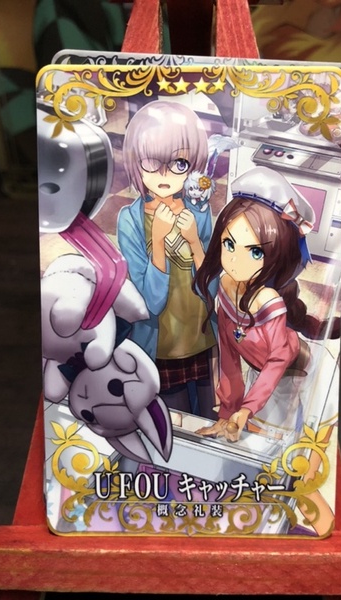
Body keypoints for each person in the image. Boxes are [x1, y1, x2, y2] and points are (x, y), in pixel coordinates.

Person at [192, 165, 338, 535]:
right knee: (256, 456)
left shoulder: (267, 300)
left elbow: (278, 359)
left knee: (298, 473)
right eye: (229, 244)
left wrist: (246, 409)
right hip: (271, 381)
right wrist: (228, 412)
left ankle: (323, 539)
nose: (235, 260)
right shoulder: (227, 287)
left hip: (311, 381)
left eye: (254, 251)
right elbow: (229, 355)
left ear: (276, 255)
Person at [117, 100, 217, 419]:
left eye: (179, 163)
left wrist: (194, 242)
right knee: (174, 424)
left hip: (202, 338)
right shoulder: (130, 220)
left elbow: (212, 288)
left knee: (209, 417)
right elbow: (149, 303)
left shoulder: (198, 211)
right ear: (135, 161)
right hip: (160, 347)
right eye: (150, 162)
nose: (163, 174)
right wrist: (158, 241)